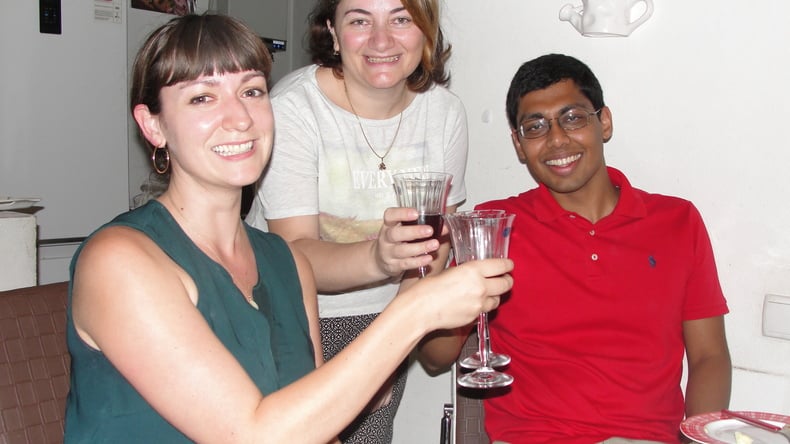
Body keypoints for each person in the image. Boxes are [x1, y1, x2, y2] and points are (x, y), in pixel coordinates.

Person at [63, 13, 513, 443]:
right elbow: (253, 435)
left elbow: (319, 433)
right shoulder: (120, 261)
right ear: (153, 125)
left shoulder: (288, 263)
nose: (240, 118)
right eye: (202, 98)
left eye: (252, 91)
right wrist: (415, 312)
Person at [439, 54, 733, 444]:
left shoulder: (677, 222)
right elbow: (436, 356)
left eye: (573, 118)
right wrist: (427, 265)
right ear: (519, 145)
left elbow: (709, 356)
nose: (557, 139)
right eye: (536, 126)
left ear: (603, 122)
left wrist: (700, 439)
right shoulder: (496, 227)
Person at [245, 0, 467, 441]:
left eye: (400, 19)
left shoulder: (444, 113)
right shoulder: (292, 109)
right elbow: (293, 254)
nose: (381, 40)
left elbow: (435, 245)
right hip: (287, 314)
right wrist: (379, 258)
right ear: (332, 31)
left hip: (387, 314)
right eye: (360, 20)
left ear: (426, 30)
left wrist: (389, 347)